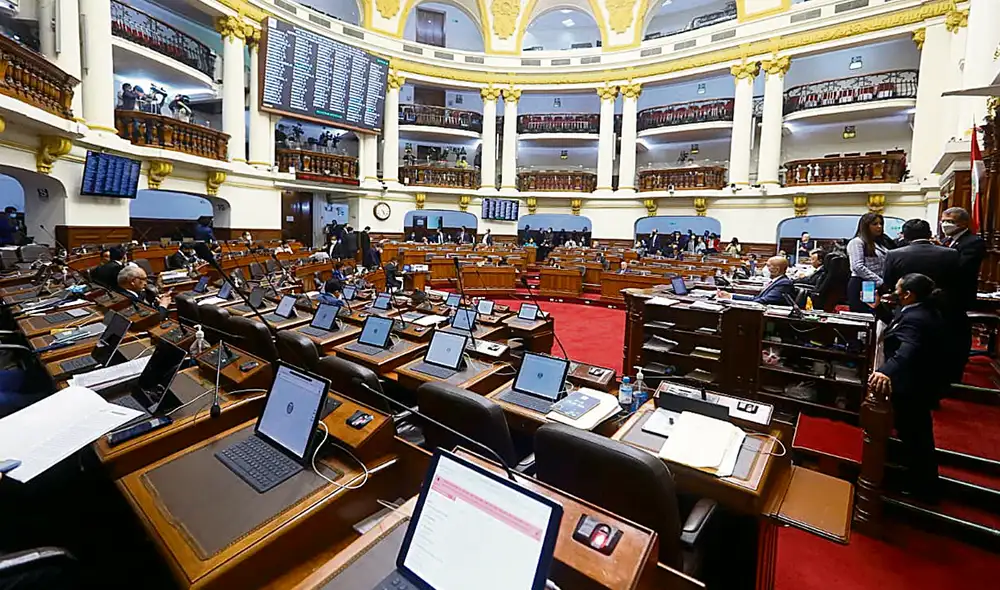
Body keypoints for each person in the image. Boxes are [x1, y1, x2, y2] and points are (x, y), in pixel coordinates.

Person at [868, 273, 946, 502]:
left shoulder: (917, 317)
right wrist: (878, 308)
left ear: (908, 294)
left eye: (898, 289)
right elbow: (895, 325)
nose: (895, 291)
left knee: (916, 435)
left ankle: (923, 487)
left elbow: (908, 350)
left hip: (914, 384)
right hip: (917, 382)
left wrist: (884, 371)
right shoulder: (915, 310)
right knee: (914, 432)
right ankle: (920, 480)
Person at [940, 206, 987, 381]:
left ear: (964, 223)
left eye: (950, 221)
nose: (945, 225)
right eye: (943, 221)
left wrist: (942, 253)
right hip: (943, 296)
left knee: (957, 334)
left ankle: (955, 372)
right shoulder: (946, 240)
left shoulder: (973, 242)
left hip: (958, 296)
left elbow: (962, 267)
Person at [847, 212, 891, 312]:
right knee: (865, 316)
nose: (879, 227)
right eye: (875, 224)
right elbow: (857, 267)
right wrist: (880, 282)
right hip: (863, 284)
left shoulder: (880, 243)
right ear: (866, 226)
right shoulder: (857, 242)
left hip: (877, 284)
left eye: (881, 224)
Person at [718, 256, 794, 305]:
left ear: (777, 269)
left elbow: (763, 301)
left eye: (768, 266)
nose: (765, 269)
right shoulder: (776, 281)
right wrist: (731, 296)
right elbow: (756, 298)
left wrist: (734, 302)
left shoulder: (784, 283)